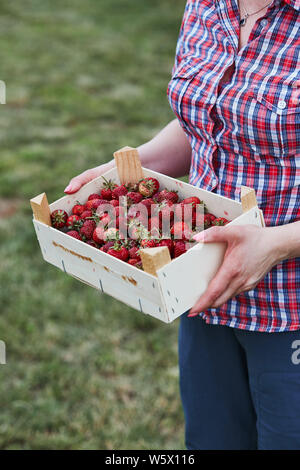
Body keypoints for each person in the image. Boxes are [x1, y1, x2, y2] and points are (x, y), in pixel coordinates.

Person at [64, 0, 300, 450]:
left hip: (290, 306)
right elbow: (210, 122)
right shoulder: (207, 5)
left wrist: (280, 242)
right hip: (202, 288)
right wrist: (134, 167)